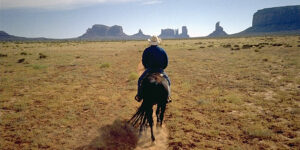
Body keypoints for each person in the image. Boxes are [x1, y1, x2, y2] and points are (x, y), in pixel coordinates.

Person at [135, 35, 171, 102]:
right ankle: (168, 96)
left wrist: (146, 67)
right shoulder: (162, 50)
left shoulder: (146, 50)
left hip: (149, 70)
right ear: (157, 42)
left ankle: (139, 95)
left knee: (140, 80)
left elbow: (144, 61)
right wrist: (162, 68)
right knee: (168, 81)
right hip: (160, 70)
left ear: (150, 42)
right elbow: (166, 62)